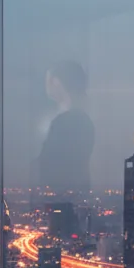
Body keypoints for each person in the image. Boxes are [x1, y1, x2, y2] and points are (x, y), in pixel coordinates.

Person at [38, 60, 95, 197]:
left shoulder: (66, 122)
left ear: (57, 82)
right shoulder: (82, 120)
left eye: (48, 80)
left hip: (64, 200)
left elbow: (47, 164)